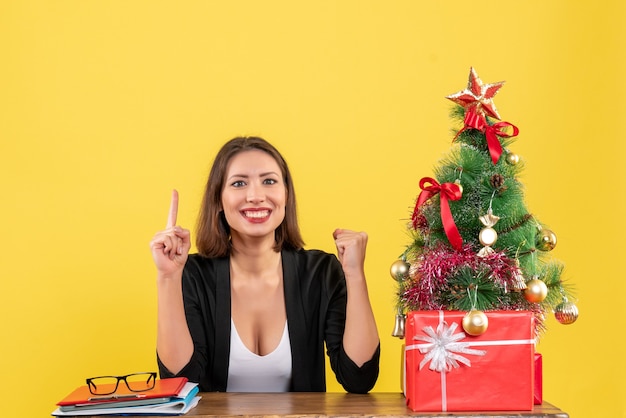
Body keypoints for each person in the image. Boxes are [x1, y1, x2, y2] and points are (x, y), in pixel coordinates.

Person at [149, 136, 380, 393]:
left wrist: (355, 274)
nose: (256, 196)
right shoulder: (192, 275)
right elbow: (181, 382)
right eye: (239, 183)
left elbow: (359, 379)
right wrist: (168, 278)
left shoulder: (321, 272)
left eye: (269, 181)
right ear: (218, 200)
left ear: (286, 195)